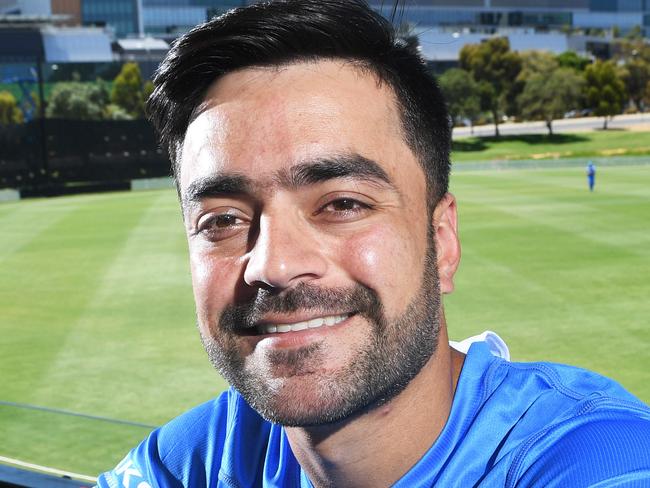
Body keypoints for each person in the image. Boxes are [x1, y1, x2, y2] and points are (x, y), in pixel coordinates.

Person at [97, 1, 650, 486]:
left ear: (442, 241)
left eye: (342, 204)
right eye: (221, 219)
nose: (274, 264)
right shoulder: (204, 456)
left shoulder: (594, 455)